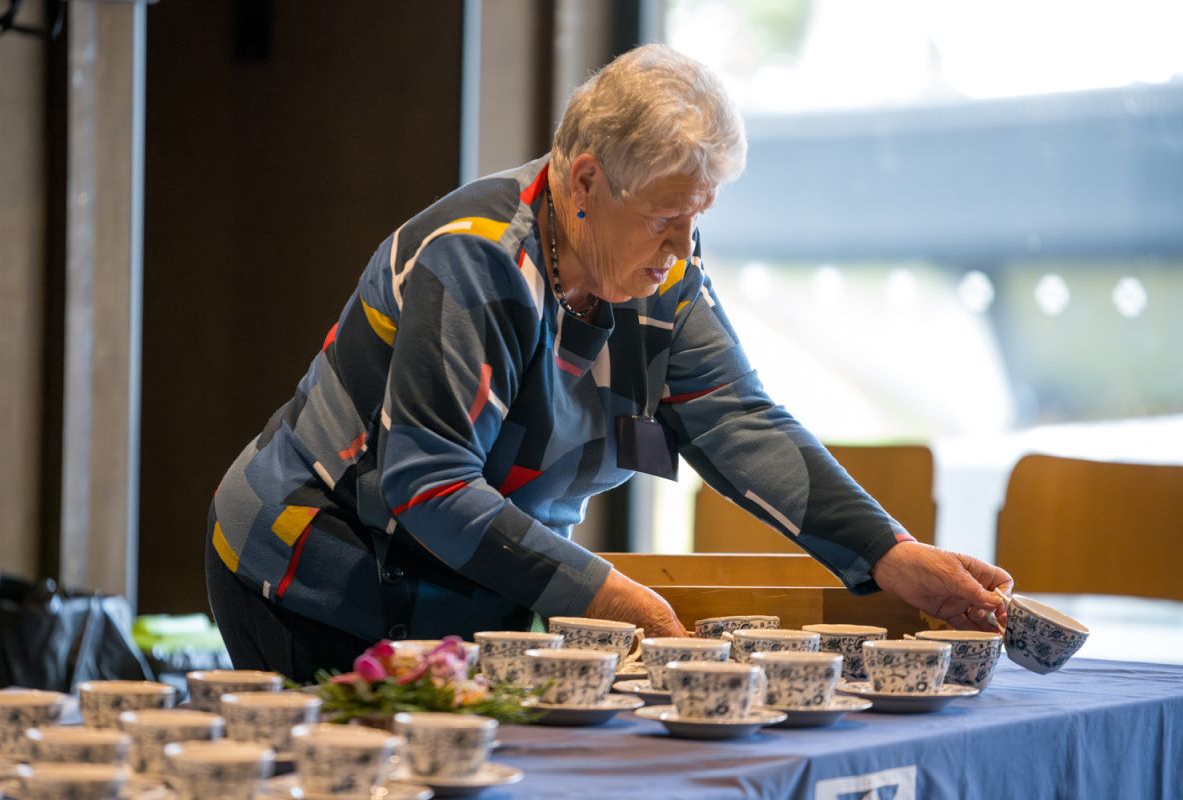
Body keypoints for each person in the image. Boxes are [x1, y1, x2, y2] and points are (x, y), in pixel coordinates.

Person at [205, 43, 1012, 682]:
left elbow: (738, 418)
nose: (683, 251)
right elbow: (435, 486)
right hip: (316, 575)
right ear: (584, 181)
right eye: (666, 218)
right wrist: (613, 596)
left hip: (460, 599)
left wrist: (887, 551)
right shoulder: (477, 261)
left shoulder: (664, 273)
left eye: (697, 220)